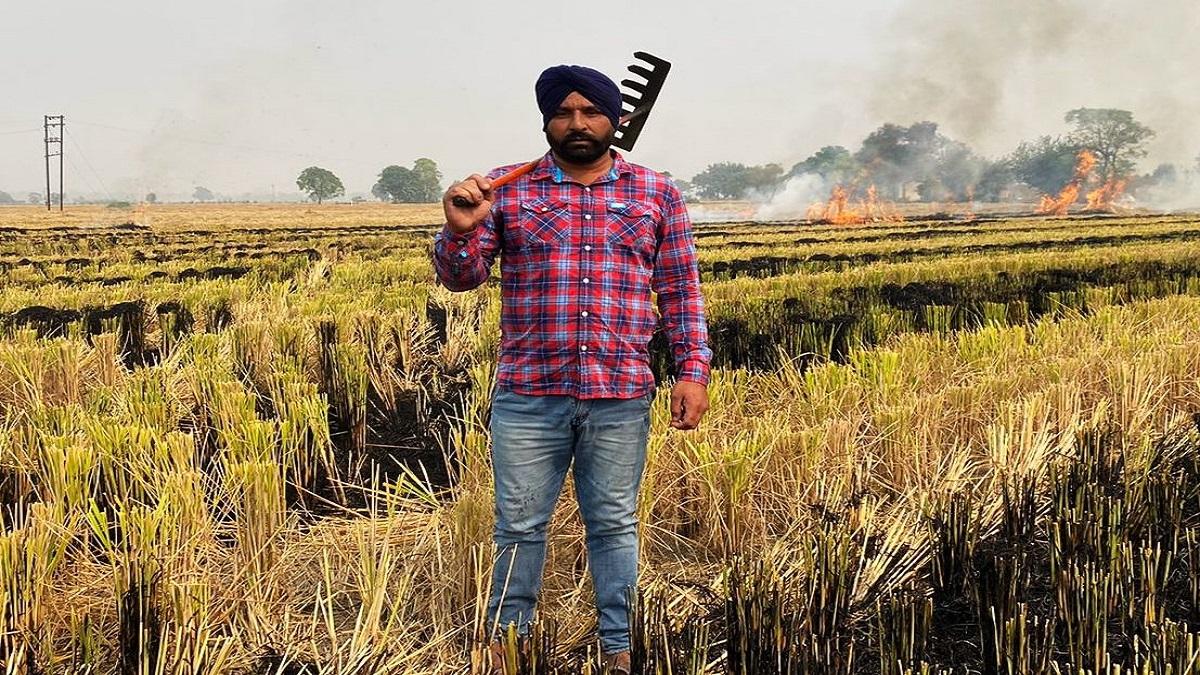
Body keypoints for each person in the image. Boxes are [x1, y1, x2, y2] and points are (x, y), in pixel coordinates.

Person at [432, 62, 712, 674]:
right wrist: (457, 232)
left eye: (591, 112)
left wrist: (692, 367)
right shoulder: (507, 191)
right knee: (520, 525)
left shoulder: (655, 192)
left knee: (613, 525)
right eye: (564, 112)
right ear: (547, 121)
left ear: (616, 119)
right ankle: (510, 645)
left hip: (620, 393)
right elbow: (462, 279)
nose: (577, 123)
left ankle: (618, 649)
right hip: (530, 394)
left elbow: (681, 288)